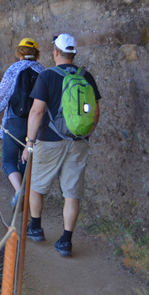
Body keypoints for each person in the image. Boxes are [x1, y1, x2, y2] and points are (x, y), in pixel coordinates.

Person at [21, 34, 101, 258]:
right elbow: (94, 113)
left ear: (55, 52)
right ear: (73, 54)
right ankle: (66, 241)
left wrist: (29, 143)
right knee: (71, 193)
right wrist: (83, 134)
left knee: (37, 185)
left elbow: (36, 111)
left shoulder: (47, 76)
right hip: (78, 142)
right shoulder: (87, 76)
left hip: (49, 140)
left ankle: (36, 228)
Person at [0, 38, 45, 209]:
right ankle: (24, 195)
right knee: (27, 160)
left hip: (15, 121)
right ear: (36, 53)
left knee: (8, 161)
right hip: (36, 123)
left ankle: (19, 191)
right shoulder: (43, 71)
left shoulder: (14, 69)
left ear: (19, 52)